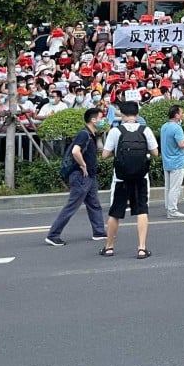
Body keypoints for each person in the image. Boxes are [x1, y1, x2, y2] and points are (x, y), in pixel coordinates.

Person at [100, 101, 159, 259]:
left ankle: (109, 247)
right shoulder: (145, 130)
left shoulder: (116, 131)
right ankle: (141, 248)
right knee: (142, 210)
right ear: (137, 115)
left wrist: (118, 153)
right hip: (141, 176)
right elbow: (155, 152)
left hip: (121, 177)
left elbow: (105, 155)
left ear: (122, 115)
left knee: (115, 212)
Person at [45, 107, 107, 246]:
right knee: (72, 206)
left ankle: (99, 232)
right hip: (81, 176)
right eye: (100, 118)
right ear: (93, 120)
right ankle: (53, 234)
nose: (102, 120)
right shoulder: (84, 134)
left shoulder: (90, 134)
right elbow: (75, 151)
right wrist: (83, 165)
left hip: (89, 176)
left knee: (94, 204)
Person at [160, 104, 184, 218]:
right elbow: (181, 144)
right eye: (181, 113)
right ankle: (172, 210)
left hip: (167, 160)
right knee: (175, 187)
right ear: (176, 115)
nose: (183, 115)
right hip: (177, 161)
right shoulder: (177, 128)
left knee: (168, 187)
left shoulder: (164, 126)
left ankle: (169, 207)